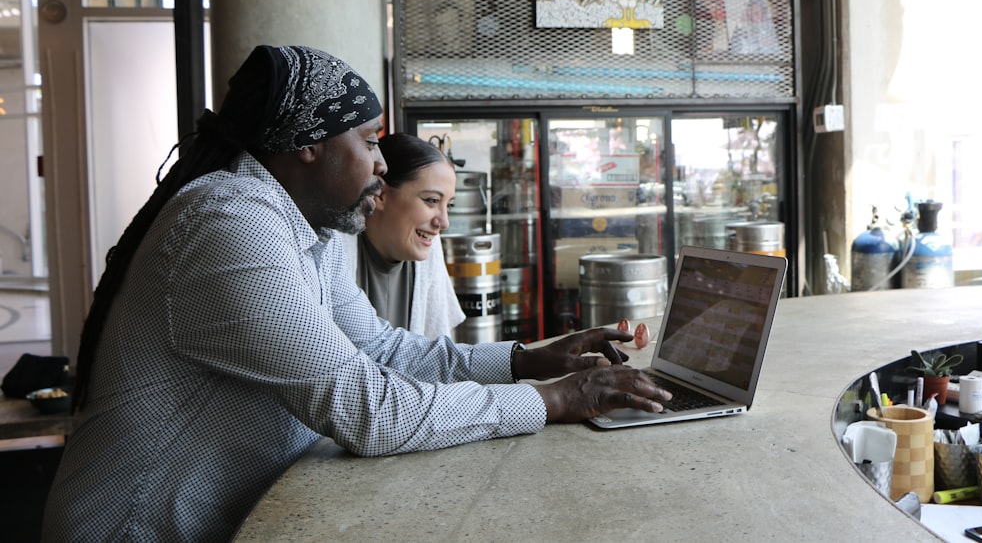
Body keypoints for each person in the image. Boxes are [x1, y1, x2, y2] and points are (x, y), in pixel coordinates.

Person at [41, 45, 671, 541]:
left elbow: (381, 350)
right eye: (370, 141)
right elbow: (370, 409)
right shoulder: (230, 226)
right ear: (308, 143)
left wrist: (525, 360)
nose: (380, 163)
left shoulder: (296, 229)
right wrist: (551, 401)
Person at [341, 132, 464, 338]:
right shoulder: (333, 247)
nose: (443, 222)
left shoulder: (429, 248)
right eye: (432, 200)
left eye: (449, 205)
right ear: (379, 193)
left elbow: (434, 345)